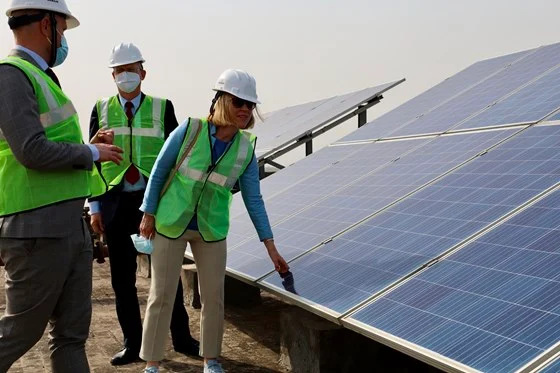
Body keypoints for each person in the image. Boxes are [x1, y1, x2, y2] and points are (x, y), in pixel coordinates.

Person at [138, 69, 290, 373]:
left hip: (211, 230)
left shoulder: (246, 148)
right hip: (171, 224)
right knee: (162, 296)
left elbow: (254, 200)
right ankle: (153, 362)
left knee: (213, 298)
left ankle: (211, 359)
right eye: (238, 102)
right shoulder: (190, 130)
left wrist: (271, 247)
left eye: (250, 105)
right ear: (221, 100)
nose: (245, 110)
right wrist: (148, 213)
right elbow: (159, 170)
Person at [0, 1, 123, 372]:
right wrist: (90, 152)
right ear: (47, 25)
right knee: (21, 332)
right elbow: (30, 150)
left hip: (69, 224)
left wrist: (89, 147)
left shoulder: (41, 76)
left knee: (71, 336)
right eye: (64, 30)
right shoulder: (10, 74)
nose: (65, 39)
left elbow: (52, 142)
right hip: (37, 228)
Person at [88, 42, 199, 366]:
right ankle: (132, 344)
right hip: (115, 203)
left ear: (143, 73)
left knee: (166, 275)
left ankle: (182, 338)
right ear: (113, 75)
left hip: (153, 202)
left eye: (131, 70)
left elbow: (177, 158)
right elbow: (93, 162)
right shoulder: (101, 108)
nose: (126, 76)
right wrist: (94, 208)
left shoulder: (163, 107)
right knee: (122, 280)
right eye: (120, 71)